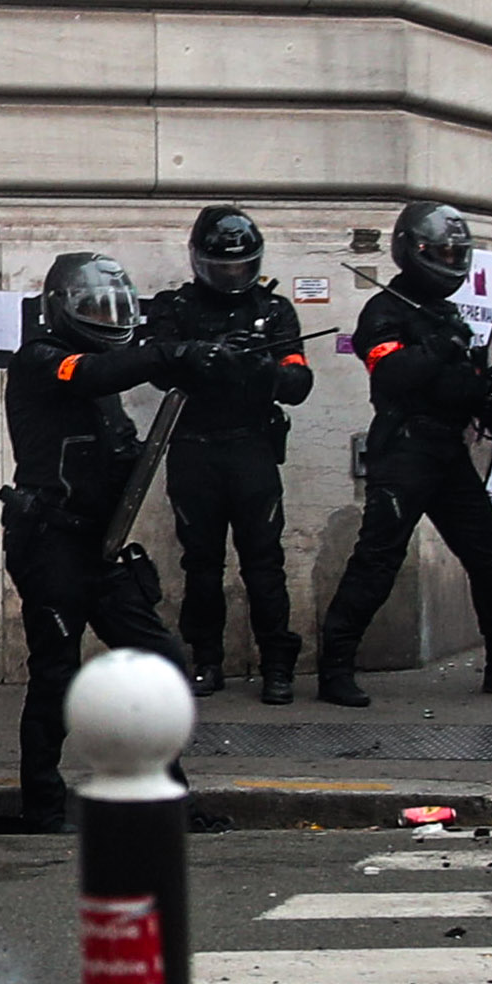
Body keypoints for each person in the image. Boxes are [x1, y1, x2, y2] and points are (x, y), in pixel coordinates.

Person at [311, 200, 492, 711]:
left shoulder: (446, 312)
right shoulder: (385, 311)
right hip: (405, 449)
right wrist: (436, 352)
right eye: (441, 251)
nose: (450, 260)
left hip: (448, 450)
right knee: (377, 561)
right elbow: (388, 374)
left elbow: (457, 386)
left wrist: (482, 384)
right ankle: (335, 668)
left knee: (490, 555)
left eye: (457, 252)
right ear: (412, 250)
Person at [0, 251, 195, 822]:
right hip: (49, 545)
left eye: (115, 308)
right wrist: (165, 353)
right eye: (93, 307)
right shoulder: (43, 360)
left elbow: (121, 447)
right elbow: (89, 374)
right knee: (56, 674)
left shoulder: (104, 372)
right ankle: (41, 803)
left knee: (160, 662)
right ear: (60, 308)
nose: (107, 318)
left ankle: (169, 794)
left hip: (101, 547)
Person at [143, 205, 314, 704]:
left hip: (250, 447)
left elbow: (299, 380)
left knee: (264, 563)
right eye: (224, 268)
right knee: (200, 564)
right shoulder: (176, 308)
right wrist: (204, 353)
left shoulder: (273, 310)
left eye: (241, 267)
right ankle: (206, 659)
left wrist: (263, 367)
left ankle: (277, 665)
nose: (233, 278)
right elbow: (155, 363)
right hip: (194, 449)